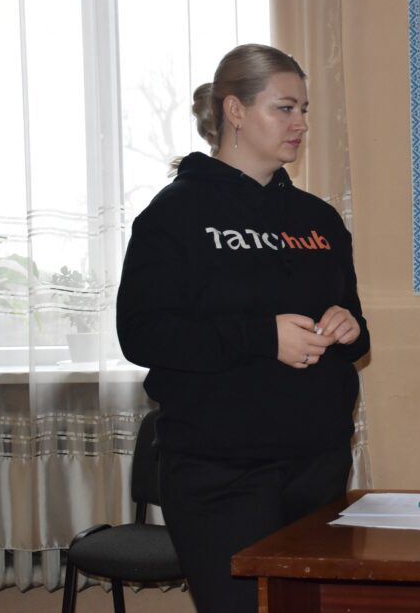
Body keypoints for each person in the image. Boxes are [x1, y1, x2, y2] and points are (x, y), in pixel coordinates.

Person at [116, 43, 370, 613]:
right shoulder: (174, 214)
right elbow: (142, 333)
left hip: (318, 465)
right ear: (234, 110)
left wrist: (348, 326)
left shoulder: (319, 219)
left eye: (304, 109)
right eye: (285, 108)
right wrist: (263, 338)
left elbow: (357, 326)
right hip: (220, 473)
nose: (301, 124)